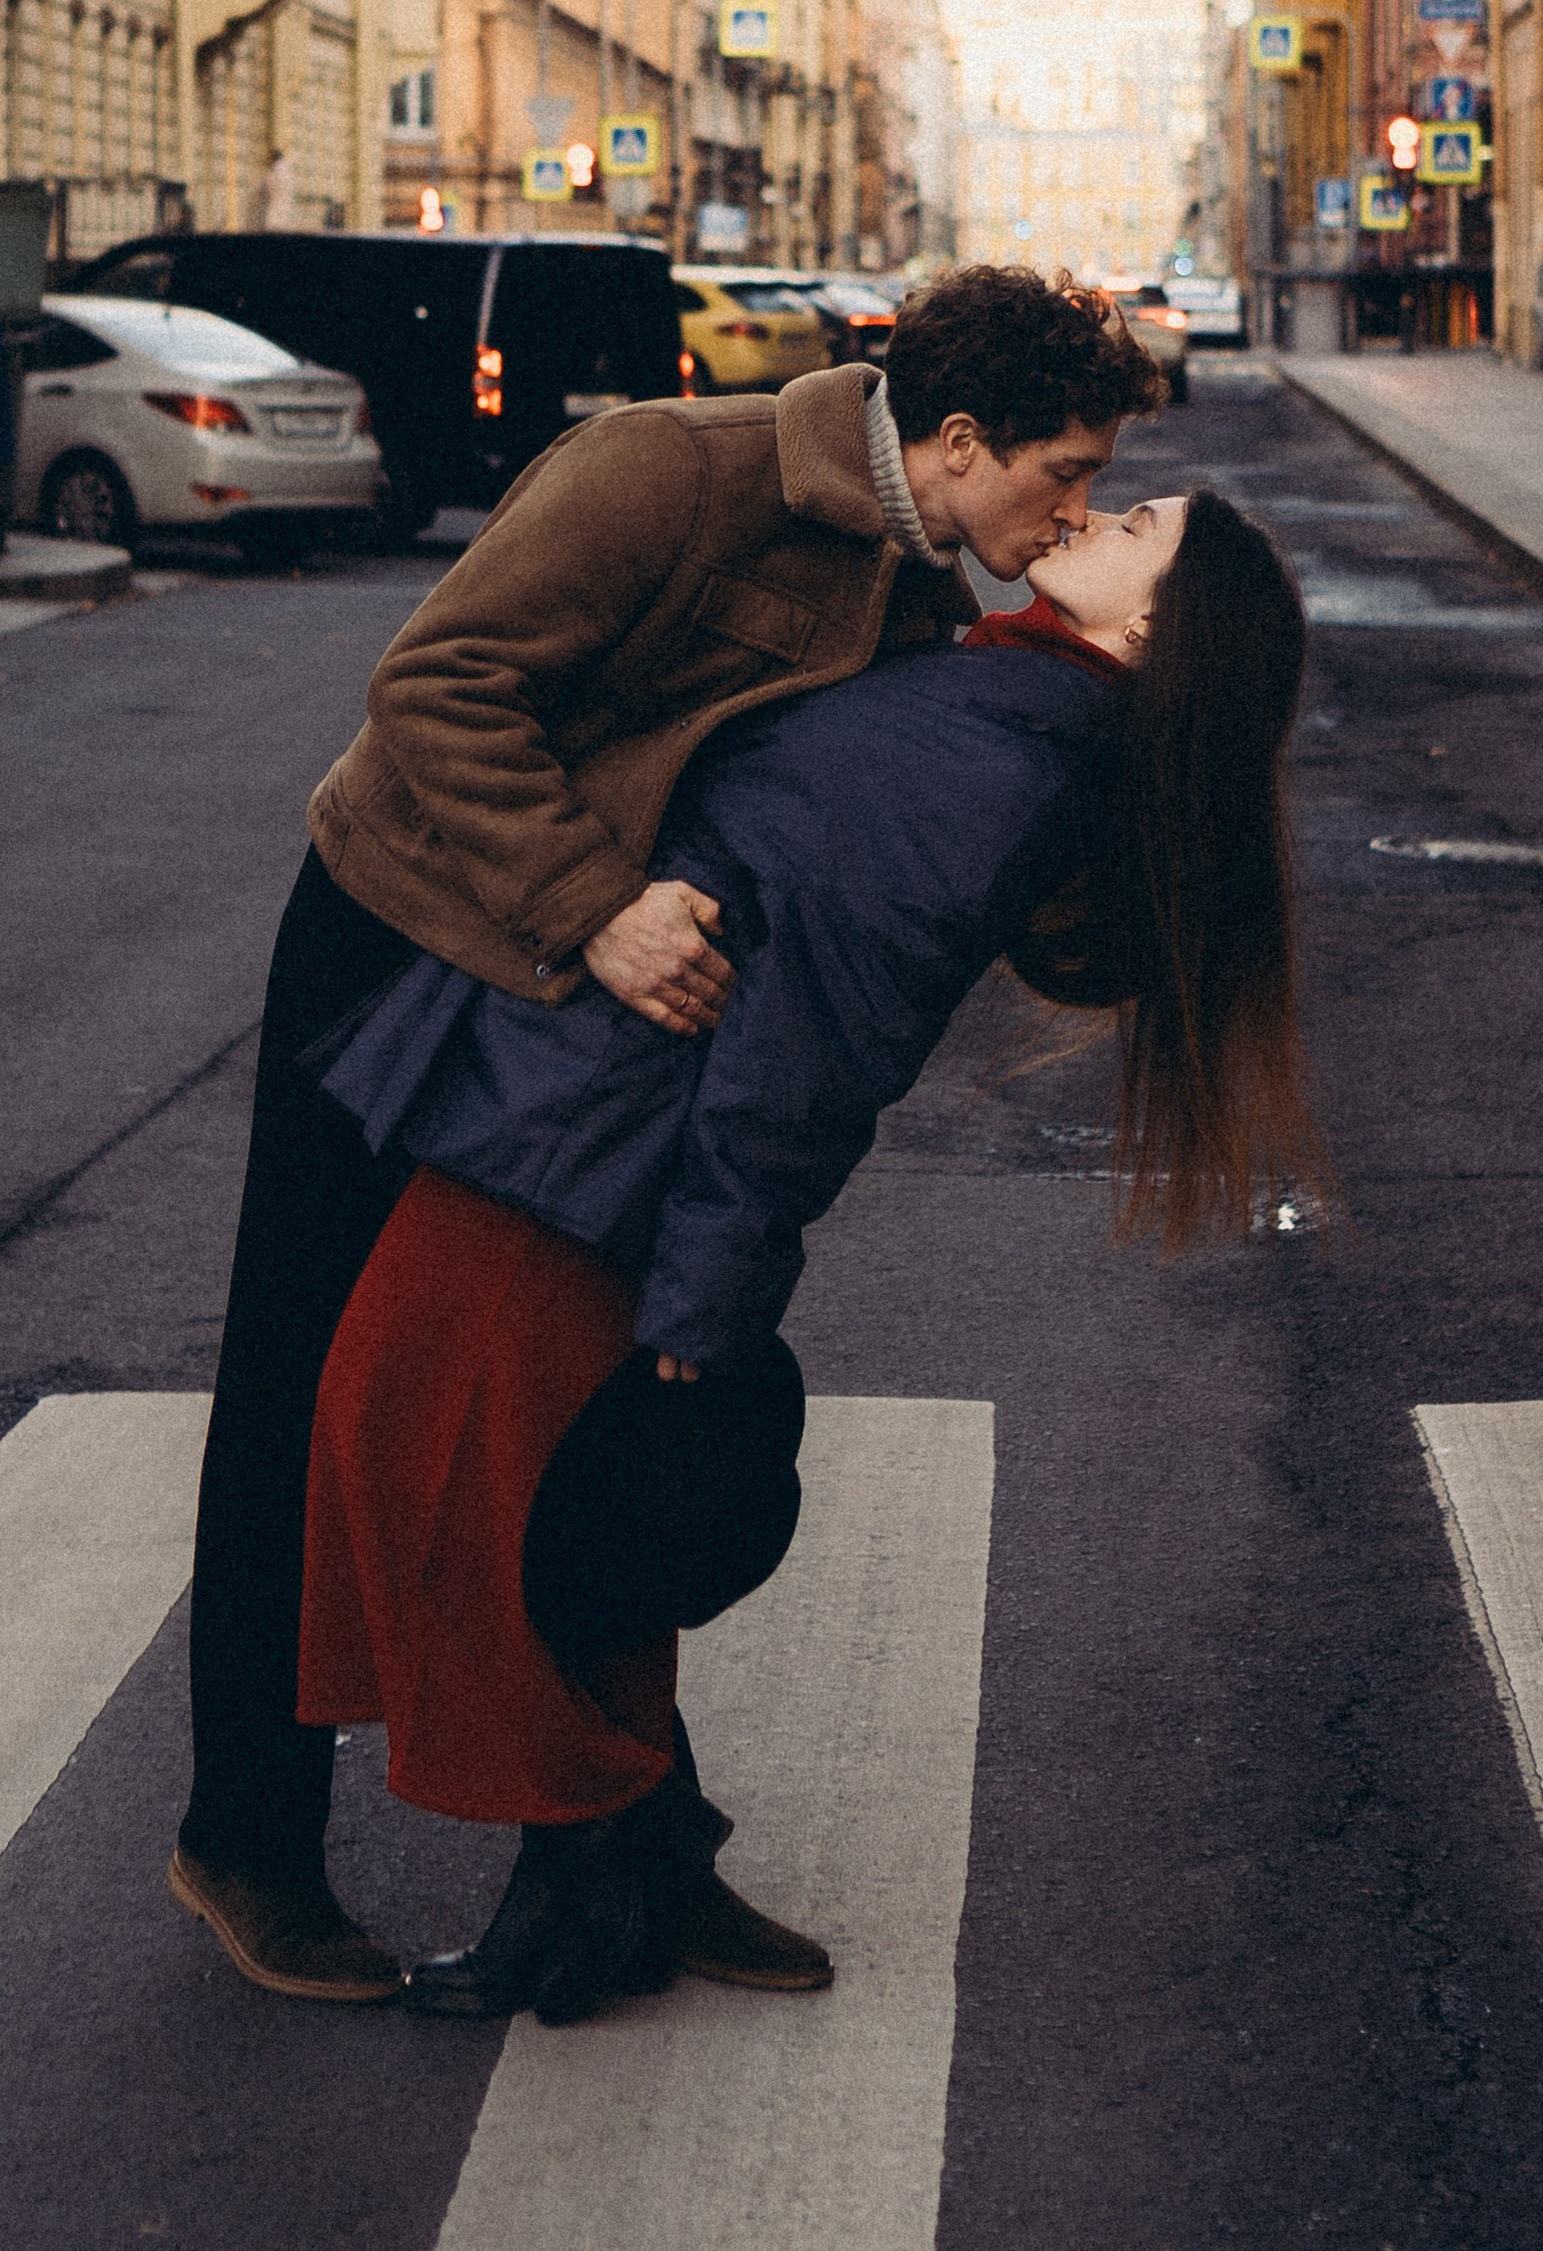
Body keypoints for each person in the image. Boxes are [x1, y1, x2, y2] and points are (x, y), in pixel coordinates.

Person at [169, 266, 1165, 2004]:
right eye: (1060, 472)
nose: (1072, 508)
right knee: (299, 1389)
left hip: (573, 1016)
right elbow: (438, 688)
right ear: (954, 441)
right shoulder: (669, 470)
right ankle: (245, 1843)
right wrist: (600, 907)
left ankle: (638, 1846)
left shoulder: (919, 586)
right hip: (404, 932)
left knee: (582, 1424)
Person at [292, 485, 1319, 2024]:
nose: (1100, 505)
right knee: (520, 1490)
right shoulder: (1013, 695)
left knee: (426, 1471)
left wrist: (709, 1286)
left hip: (594, 1140)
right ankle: (639, 1854)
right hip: (579, 1109)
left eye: (1139, 521)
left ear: (1152, 624)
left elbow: (813, 1046)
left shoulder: (1000, 757)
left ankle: (582, 1876)